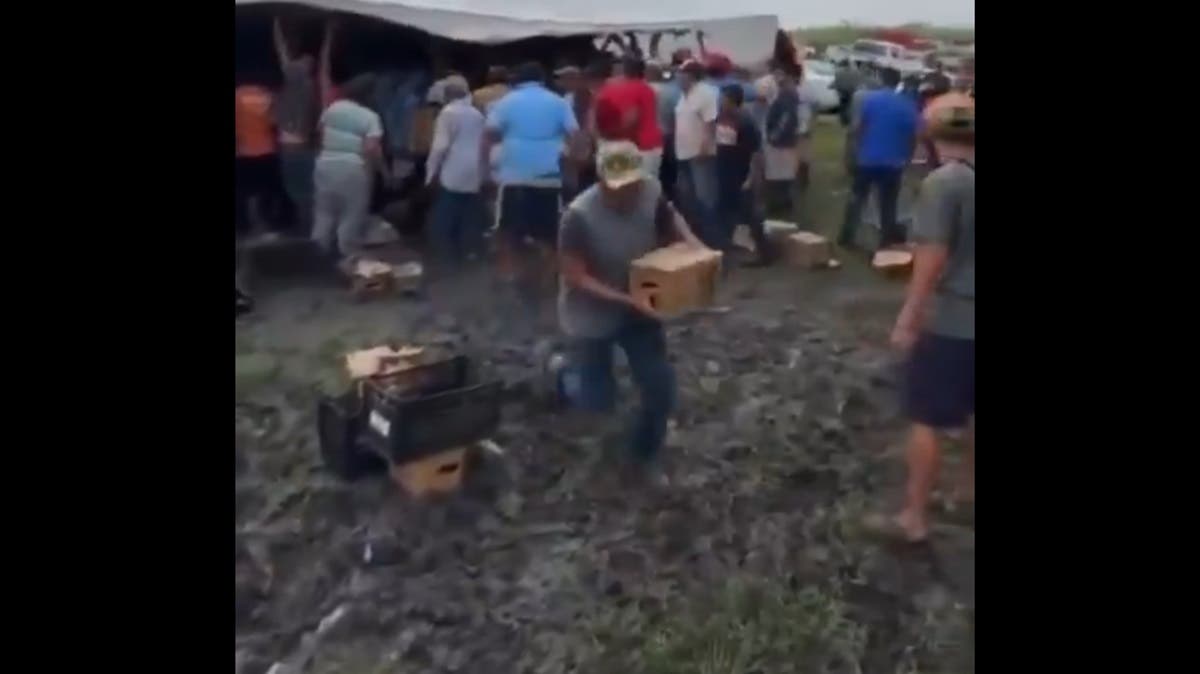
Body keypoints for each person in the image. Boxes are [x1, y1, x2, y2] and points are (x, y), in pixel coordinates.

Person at [553, 140, 707, 486]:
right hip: (591, 311)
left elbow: (671, 218)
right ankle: (565, 376)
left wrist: (692, 245)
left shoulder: (651, 192)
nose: (628, 193)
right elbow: (576, 277)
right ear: (602, 182)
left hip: (641, 306)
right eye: (620, 187)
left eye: (633, 185)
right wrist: (626, 299)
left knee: (660, 389)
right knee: (597, 401)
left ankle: (642, 455)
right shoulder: (578, 217)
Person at [883, 100, 974, 543]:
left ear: (932, 138)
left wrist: (909, 314)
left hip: (954, 320)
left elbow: (933, 255)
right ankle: (968, 492)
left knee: (926, 417)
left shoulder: (944, 184)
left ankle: (913, 518)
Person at [485, 61, 580, 312]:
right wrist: (571, 165)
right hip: (548, 177)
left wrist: (488, 168)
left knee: (508, 232)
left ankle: (513, 280)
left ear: (519, 80)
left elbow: (490, 135)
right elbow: (574, 136)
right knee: (550, 235)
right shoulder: (558, 102)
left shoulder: (506, 102)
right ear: (542, 80)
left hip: (513, 177)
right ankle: (546, 286)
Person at [838, 68, 918, 252]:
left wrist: (857, 149)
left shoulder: (871, 100)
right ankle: (886, 240)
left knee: (857, 198)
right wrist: (907, 158)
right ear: (898, 83)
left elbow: (858, 128)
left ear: (881, 79)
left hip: (868, 159)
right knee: (888, 203)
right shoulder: (907, 105)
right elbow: (913, 137)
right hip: (894, 162)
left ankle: (846, 235)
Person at [311, 73, 388, 264]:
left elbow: (320, 133)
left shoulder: (332, 108)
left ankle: (316, 256)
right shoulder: (370, 117)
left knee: (324, 212)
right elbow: (372, 149)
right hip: (352, 168)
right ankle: (348, 258)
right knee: (352, 213)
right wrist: (384, 173)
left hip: (325, 164)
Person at [424, 75, 486, 266]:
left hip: (454, 169)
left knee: (445, 215)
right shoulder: (477, 114)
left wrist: (430, 173)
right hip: (474, 169)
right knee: (469, 214)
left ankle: (446, 258)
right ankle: (469, 255)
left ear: (447, 96)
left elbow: (440, 147)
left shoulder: (448, 113)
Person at [271, 17, 320, 234]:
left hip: (292, 148)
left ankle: (307, 228)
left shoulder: (298, 86)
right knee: (305, 191)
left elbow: (283, 55)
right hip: (302, 146)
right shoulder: (307, 87)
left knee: (299, 191)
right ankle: (310, 229)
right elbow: (283, 55)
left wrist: (277, 28)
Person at [715, 85, 773, 265]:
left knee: (749, 213)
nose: (720, 102)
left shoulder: (745, 122)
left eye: (724, 99)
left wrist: (751, 177)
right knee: (725, 210)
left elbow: (756, 153)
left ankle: (764, 251)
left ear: (733, 101)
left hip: (741, 172)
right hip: (724, 171)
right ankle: (727, 247)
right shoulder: (721, 117)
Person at [673, 59, 721, 249]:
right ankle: (695, 235)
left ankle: (712, 239)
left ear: (691, 76)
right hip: (683, 153)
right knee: (687, 196)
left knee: (704, 197)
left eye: (681, 73)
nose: (677, 77)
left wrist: (705, 147)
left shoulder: (705, 94)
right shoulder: (683, 95)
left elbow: (710, 123)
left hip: (699, 154)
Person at [594, 56, 664, 176]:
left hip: (626, 146)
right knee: (647, 183)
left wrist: (605, 140)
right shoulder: (646, 88)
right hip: (647, 146)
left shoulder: (609, 90)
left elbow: (631, 118)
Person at [235, 71, 284, 236]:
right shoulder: (266, 96)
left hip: (243, 152)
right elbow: (274, 123)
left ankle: (242, 225)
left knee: (241, 191)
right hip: (267, 150)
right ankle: (268, 223)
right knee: (267, 190)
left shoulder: (237, 96)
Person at [763, 64, 803, 227]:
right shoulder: (786, 93)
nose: (777, 78)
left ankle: (780, 204)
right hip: (785, 140)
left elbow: (786, 118)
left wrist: (775, 135)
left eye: (780, 75)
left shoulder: (787, 95)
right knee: (782, 173)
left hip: (781, 141)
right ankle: (783, 203)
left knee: (778, 174)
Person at [647, 60, 680, 195]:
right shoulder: (673, 91)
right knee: (671, 174)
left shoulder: (642, 90)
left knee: (652, 173)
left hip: (649, 139)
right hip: (669, 136)